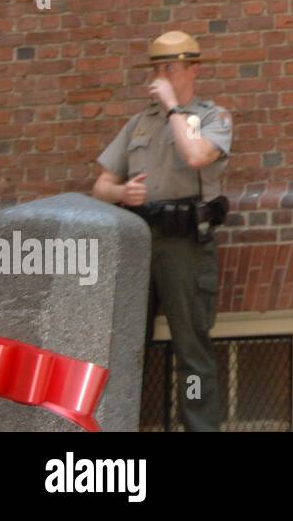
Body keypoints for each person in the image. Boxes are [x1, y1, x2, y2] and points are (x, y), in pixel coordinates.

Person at [92, 30, 233, 432]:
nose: (161, 75)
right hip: (138, 240)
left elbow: (195, 156)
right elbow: (100, 186)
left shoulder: (212, 118)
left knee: (191, 349)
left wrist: (174, 108)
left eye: (169, 67)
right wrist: (122, 191)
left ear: (194, 69)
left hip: (184, 243)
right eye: (157, 68)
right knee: (126, 347)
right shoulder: (139, 124)